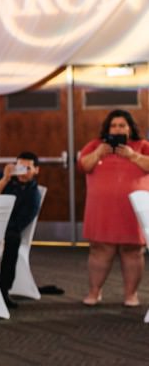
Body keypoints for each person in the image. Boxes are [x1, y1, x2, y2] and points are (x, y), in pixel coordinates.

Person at [77, 109, 149, 307]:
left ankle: (131, 294)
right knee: (100, 249)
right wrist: (99, 152)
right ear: (108, 129)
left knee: (133, 251)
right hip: (102, 209)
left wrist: (133, 156)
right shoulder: (94, 145)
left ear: (130, 128)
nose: (117, 129)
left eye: (122, 125)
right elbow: (83, 166)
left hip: (132, 209)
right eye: (114, 126)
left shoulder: (142, 146)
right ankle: (94, 292)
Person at [0, 151, 41, 308]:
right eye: (20, 167)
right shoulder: (4, 177)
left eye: (27, 168)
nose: (22, 172)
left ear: (36, 170)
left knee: (12, 239)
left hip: (10, 227)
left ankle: (4, 289)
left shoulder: (33, 194)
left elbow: (20, 223)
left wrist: (1, 231)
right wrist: (5, 179)